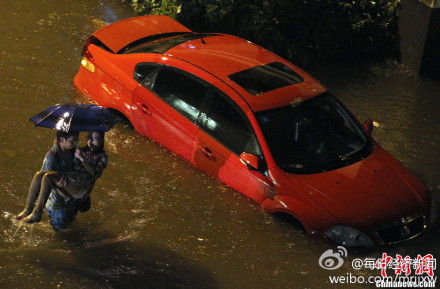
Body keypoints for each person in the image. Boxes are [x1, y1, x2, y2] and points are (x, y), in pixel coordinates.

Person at [22, 131, 108, 231]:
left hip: (82, 185)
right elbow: (64, 139)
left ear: (102, 141)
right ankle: (28, 209)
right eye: (89, 138)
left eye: (94, 139)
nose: (90, 141)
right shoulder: (79, 150)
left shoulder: (102, 157)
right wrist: (55, 145)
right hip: (71, 183)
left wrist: (82, 158)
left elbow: (94, 173)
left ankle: (37, 213)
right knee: (39, 175)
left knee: (48, 177)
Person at [14, 130, 79, 220]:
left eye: (76, 141)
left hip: (67, 189)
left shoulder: (72, 151)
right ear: (62, 140)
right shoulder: (52, 157)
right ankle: (29, 210)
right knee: (39, 176)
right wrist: (58, 186)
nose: (75, 144)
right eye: (72, 141)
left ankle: (31, 211)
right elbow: (45, 182)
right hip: (58, 195)